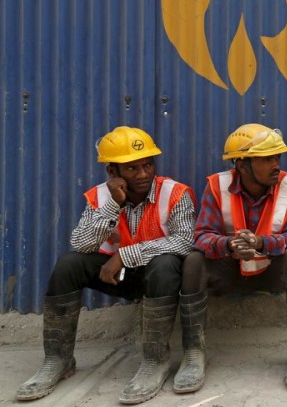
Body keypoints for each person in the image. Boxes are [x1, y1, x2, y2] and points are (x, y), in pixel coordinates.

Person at [16, 127, 196, 404]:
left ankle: (155, 361)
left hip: (160, 279)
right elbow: (82, 244)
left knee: (166, 263)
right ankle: (58, 359)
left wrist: (126, 255)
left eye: (148, 164)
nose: (143, 173)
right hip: (117, 277)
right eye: (132, 168)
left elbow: (185, 241)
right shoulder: (101, 197)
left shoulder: (174, 192)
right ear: (113, 173)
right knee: (68, 264)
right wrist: (113, 205)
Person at [173, 123, 287, 393]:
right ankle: (193, 352)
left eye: (277, 158)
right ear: (242, 165)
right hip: (230, 272)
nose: (276, 165)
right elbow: (201, 236)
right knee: (193, 260)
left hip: (272, 271)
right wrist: (229, 245)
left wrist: (261, 242)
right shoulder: (218, 186)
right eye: (266, 159)